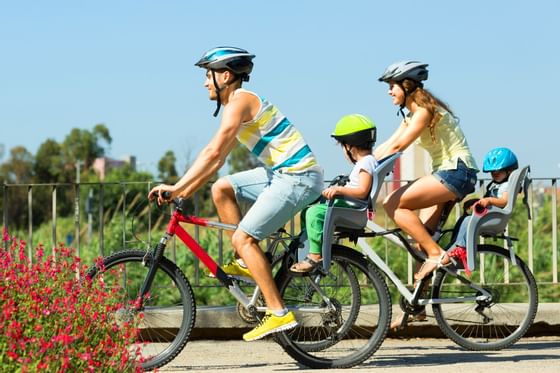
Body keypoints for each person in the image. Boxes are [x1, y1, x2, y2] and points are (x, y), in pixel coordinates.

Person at [148, 46, 324, 341]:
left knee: (244, 237)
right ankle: (246, 261)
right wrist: (184, 192)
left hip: (297, 176)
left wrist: (177, 186)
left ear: (225, 76)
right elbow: (217, 162)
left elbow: (212, 151)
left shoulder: (239, 103)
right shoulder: (236, 106)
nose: (205, 82)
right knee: (222, 188)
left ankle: (278, 312)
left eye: (208, 75)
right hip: (282, 173)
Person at [374, 60, 479, 328]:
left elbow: (400, 145)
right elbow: (388, 142)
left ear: (406, 86)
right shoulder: (411, 113)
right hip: (450, 173)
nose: (389, 92)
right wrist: (365, 161)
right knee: (423, 241)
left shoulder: (422, 110)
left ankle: (437, 255)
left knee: (393, 204)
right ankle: (417, 306)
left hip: (456, 172)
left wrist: (368, 167)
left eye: (391, 86)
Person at [290, 114, 377, 272]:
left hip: (353, 209)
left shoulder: (366, 163)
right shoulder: (368, 161)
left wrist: (339, 189)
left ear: (351, 146)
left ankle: (315, 255)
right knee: (306, 213)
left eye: (342, 146)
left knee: (314, 213)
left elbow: (362, 191)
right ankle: (311, 248)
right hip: (350, 206)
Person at [447, 147, 519, 276]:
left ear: (509, 171)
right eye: (492, 172)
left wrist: (489, 201)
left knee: (468, 221)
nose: (494, 174)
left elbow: (504, 202)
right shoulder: (497, 184)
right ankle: (455, 247)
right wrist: (478, 201)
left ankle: (461, 249)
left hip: (495, 216)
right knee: (462, 220)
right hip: (490, 215)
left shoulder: (506, 185)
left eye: (498, 171)